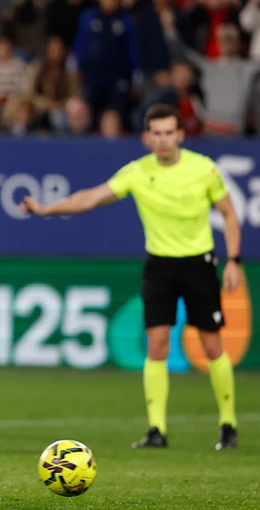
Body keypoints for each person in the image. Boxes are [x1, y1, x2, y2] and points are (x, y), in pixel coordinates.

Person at [19, 103, 240, 451]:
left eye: (170, 132)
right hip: (160, 266)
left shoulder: (203, 169)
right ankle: (157, 430)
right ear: (147, 137)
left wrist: (234, 260)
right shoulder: (138, 172)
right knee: (156, 346)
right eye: (158, 133)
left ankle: (228, 423)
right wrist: (48, 208)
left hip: (199, 263)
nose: (164, 140)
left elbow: (229, 214)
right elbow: (92, 197)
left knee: (212, 345)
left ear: (180, 134)